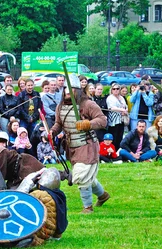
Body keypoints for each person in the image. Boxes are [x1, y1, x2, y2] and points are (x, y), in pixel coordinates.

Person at [50, 75, 109, 214]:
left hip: (87, 145)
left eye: (71, 90)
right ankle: (103, 195)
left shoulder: (88, 104)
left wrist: (88, 124)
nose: (67, 93)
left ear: (77, 90)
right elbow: (59, 123)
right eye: (65, 90)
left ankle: (87, 207)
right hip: (72, 147)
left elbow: (102, 120)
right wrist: (52, 132)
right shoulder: (61, 106)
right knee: (87, 177)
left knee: (81, 176)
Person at [106, 83, 129, 150]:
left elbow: (126, 106)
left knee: (120, 136)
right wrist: (121, 110)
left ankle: (118, 151)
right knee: (114, 137)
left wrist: (125, 110)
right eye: (114, 89)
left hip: (121, 120)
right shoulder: (110, 98)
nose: (116, 90)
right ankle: (112, 151)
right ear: (111, 90)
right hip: (113, 121)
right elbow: (111, 108)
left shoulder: (121, 97)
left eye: (117, 89)